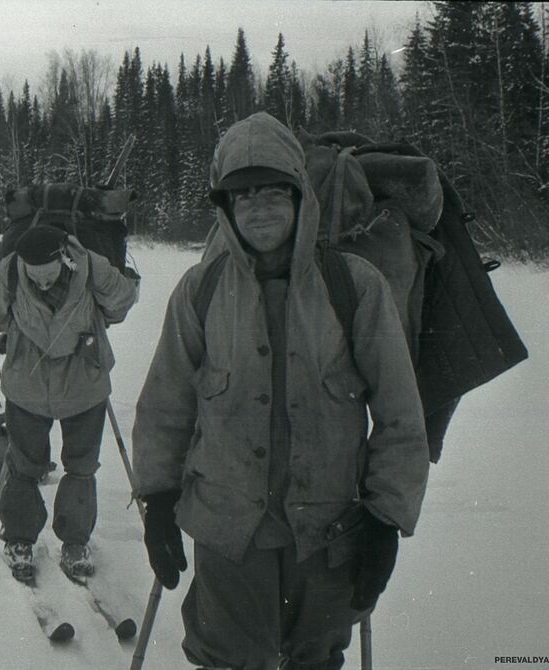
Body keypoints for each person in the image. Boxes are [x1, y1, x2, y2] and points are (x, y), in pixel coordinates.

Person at [131, 112, 430, 670]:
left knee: (315, 661)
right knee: (226, 660)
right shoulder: (201, 290)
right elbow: (165, 406)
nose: (260, 208)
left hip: (327, 533)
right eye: (244, 196)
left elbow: (399, 415)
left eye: (274, 192)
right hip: (228, 533)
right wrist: (159, 500)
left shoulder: (356, 285)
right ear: (227, 209)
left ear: (300, 197)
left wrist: (387, 520)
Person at [0, 225, 138, 582]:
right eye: (36, 278)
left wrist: (108, 273)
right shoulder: (12, 271)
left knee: (81, 466)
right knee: (24, 464)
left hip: (83, 385)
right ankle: (19, 539)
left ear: (64, 258)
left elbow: (122, 301)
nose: (44, 284)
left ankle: (75, 542)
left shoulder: (90, 267)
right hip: (28, 387)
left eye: (50, 277)